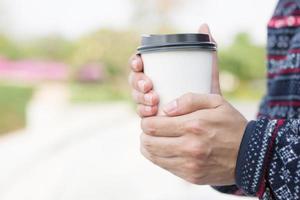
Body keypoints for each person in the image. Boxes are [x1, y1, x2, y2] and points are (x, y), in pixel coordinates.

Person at [128, 0, 300, 199]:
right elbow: (276, 125)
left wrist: (250, 153)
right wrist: (217, 146)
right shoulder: (287, 7)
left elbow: (257, 150)